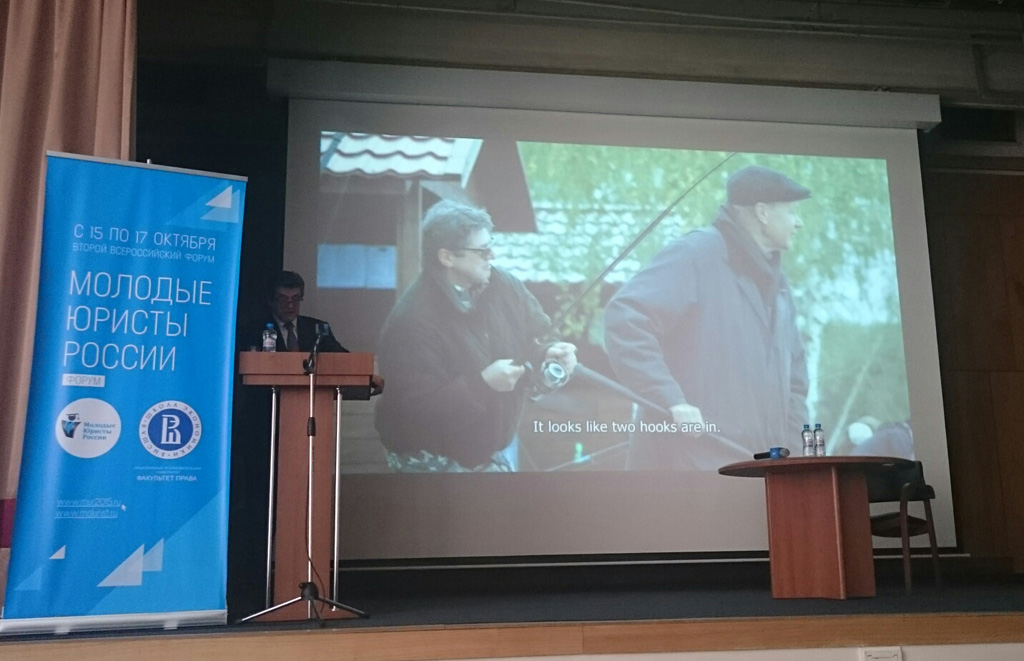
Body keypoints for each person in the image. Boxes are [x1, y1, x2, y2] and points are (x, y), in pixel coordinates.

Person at [603, 165, 812, 470]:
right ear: (763, 213)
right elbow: (626, 319)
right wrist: (670, 400)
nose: (799, 222)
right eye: (792, 212)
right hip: (686, 473)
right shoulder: (695, 253)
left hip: (758, 473)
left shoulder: (779, 287)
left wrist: (795, 458)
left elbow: (796, 383)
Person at [374, 200, 577, 472]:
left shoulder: (506, 285)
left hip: (489, 450)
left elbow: (539, 335)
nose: (492, 255)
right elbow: (418, 413)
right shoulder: (411, 322)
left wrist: (551, 353)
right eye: (481, 250)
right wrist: (483, 384)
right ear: (447, 257)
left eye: (490, 244)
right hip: (429, 460)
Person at [239, 270, 346, 353]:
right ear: (271, 300)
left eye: (295, 299)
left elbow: (342, 357)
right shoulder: (254, 331)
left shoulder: (318, 328)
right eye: (283, 299)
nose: (290, 305)